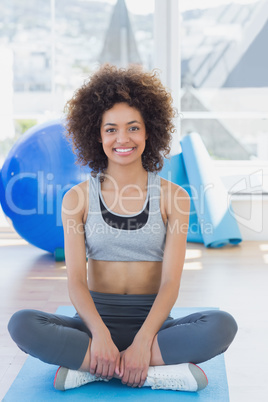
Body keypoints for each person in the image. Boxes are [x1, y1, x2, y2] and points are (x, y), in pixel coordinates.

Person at [8, 64, 237, 393]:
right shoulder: (77, 199)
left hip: (154, 323)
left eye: (133, 128)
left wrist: (144, 340)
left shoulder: (175, 197)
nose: (123, 139)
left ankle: (93, 368)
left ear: (149, 132)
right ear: (96, 135)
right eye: (111, 129)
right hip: (92, 322)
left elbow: (171, 282)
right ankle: (148, 370)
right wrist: (99, 335)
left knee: (222, 326)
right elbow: (74, 280)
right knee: (22, 324)